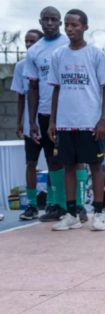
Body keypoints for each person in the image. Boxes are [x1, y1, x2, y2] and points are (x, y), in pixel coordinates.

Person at [47, 9, 105, 232]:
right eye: (67, 25)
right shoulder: (58, 55)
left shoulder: (95, 54)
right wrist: (52, 121)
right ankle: (72, 214)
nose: (69, 29)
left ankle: (98, 214)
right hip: (66, 122)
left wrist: (103, 120)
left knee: (95, 166)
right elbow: (56, 89)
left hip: (90, 122)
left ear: (85, 27)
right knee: (68, 166)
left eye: (74, 25)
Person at [25, 6, 74, 223]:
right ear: (40, 22)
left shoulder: (68, 44)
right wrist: (32, 120)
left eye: (54, 19)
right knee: (52, 160)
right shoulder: (34, 51)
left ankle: (75, 206)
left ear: (60, 22)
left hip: (70, 111)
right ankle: (56, 205)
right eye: (46, 19)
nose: (50, 23)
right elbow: (32, 88)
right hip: (46, 113)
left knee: (73, 160)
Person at [11, 29, 44, 221]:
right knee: (31, 162)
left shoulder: (49, 63)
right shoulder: (21, 66)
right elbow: (20, 96)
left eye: (33, 41)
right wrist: (19, 122)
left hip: (50, 121)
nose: (29, 45)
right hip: (30, 125)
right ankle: (32, 205)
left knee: (56, 163)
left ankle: (56, 203)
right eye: (27, 41)